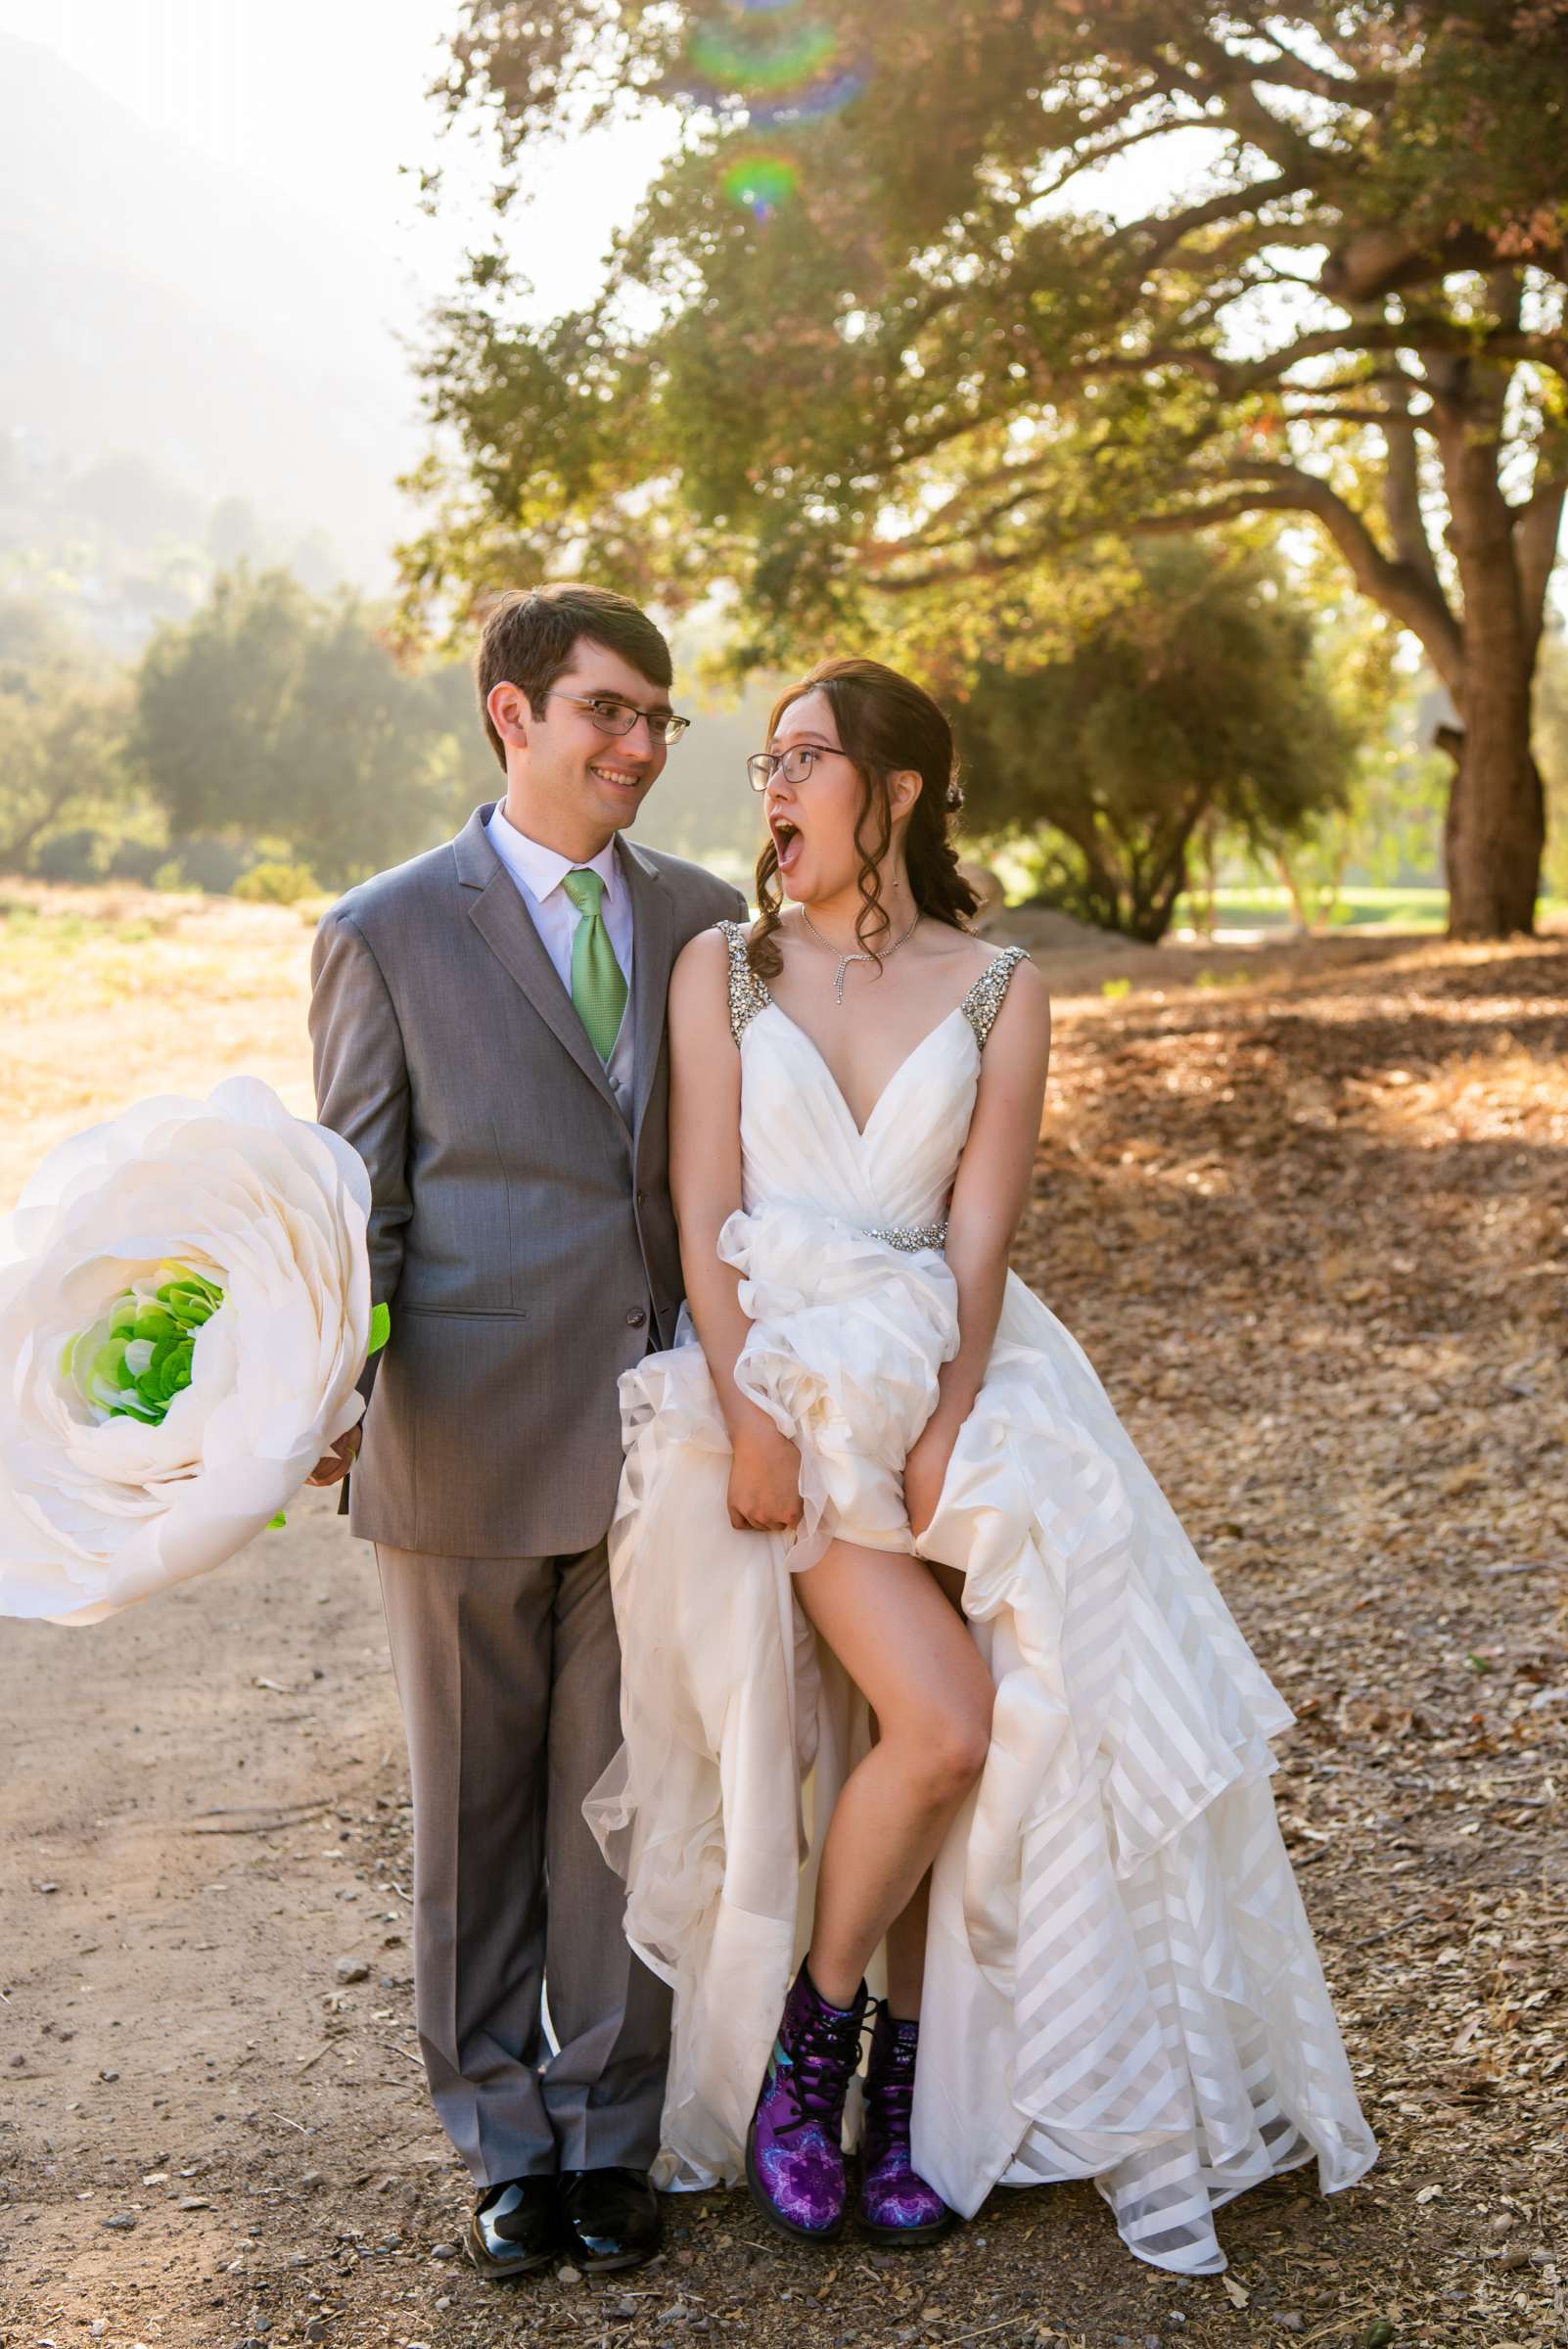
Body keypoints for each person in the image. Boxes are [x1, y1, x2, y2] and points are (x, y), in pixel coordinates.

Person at [586, 656, 1377, 2275]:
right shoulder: (720, 969)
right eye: (763, 765)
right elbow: (700, 1219)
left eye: (801, 758)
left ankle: (934, 2094)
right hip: (788, 1389)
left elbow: (979, 1233)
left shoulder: (1001, 985)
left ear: (892, 788)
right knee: (938, 1725)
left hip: (965, 1383)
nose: (770, 790)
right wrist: (750, 1417)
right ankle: (816, 2057)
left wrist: (946, 1420)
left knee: (1036, 1722)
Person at [306, 583, 747, 2280]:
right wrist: (328, 1399)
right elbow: (363, 1202)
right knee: (475, 1818)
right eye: (607, 713)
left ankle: (612, 2135)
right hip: (464, 1438)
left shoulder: (706, 921)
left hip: (658, 1446)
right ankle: (501, 2142)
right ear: (513, 713)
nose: (640, 746)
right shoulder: (387, 929)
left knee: (624, 1809)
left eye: (658, 721)